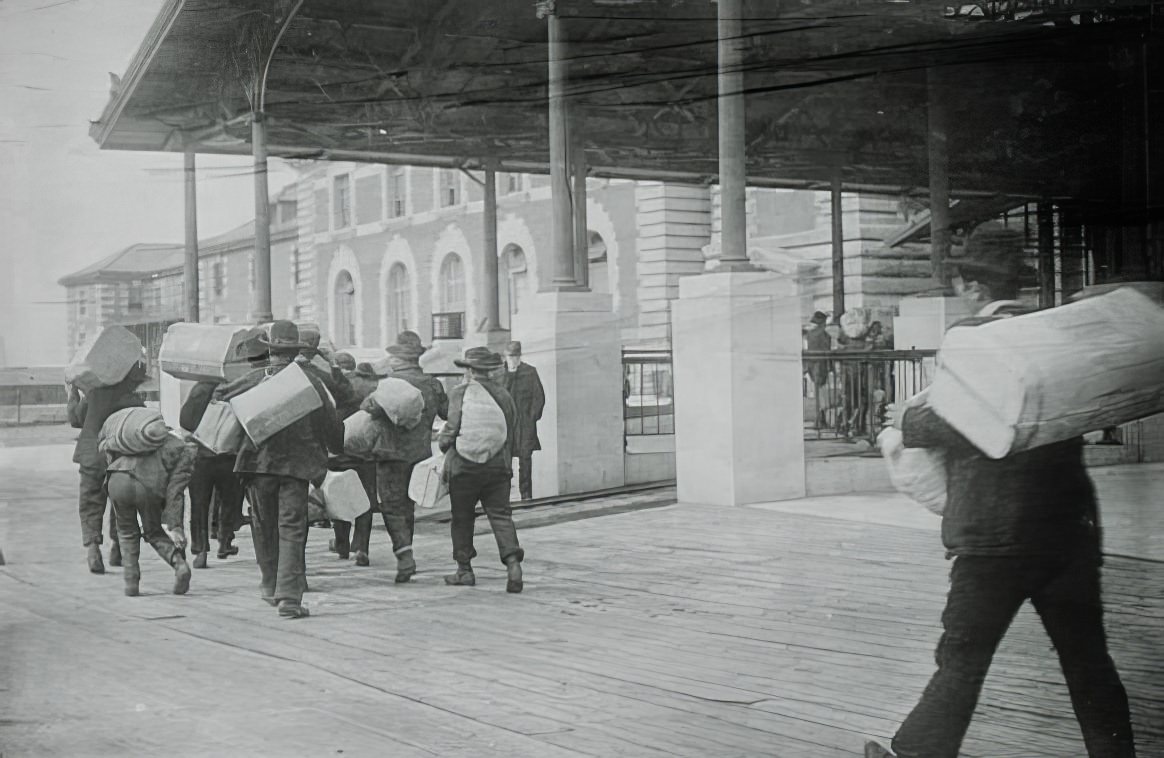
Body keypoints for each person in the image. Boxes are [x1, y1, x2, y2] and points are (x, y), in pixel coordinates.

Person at [866, 223, 1136, 758]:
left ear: (972, 286)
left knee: (963, 658)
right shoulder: (1050, 334)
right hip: (1068, 531)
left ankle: (917, 755)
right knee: (1087, 659)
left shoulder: (970, 339)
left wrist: (909, 420)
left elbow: (975, 422)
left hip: (993, 538)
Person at [215, 321, 343, 619]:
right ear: (294, 350)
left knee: (262, 525)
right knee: (292, 529)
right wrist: (336, 447)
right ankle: (289, 597)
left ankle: (269, 583)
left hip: (257, 465)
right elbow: (331, 423)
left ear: (270, 350)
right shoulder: (310, 380)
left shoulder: (251, 379)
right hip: (296, 468)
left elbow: (220, 398)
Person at [360, 331, 448, 582]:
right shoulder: (433, 384)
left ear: (400, 358)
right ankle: (406, 549)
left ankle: (404, 552)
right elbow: (448, 412)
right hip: (420, 454)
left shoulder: (389, 384)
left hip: (391, 454)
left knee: (391, 505)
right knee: (408, 505)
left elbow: (367, 407)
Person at [438, 347, 524, 593]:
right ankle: (513, 563)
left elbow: (451, 428)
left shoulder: (460, 393)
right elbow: (511, 428)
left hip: (464, 468)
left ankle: (464, 570)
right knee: (500, 515)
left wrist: (446, 446)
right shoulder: (504, 395)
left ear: (469, 369)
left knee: (462, 517)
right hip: (498, 466)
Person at [100, 412, 197, 597]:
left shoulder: (137, 438)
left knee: (127, 531)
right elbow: (175, 491)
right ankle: (179, 565)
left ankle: (131, 582)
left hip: (117, 478)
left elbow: (108, 453)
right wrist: (175, 525)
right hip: (147, 485)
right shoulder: (184, 450)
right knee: (153, 532)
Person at [67, 361, 148, 574]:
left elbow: (75, 419)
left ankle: (93, 549)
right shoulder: (134, 400)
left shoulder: (95, 394)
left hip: (92, 457)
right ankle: (118, 548)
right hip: (119, 459)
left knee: (91, 502)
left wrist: (73, 393)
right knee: (121, 503)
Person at [329, 360, 385, 565]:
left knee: (339, 500)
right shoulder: (372, 393)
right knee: (365, 502)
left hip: (337, 456)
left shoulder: (337, 388)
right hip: (364, 457)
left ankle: (342, 545)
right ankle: (361, 547)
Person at [501, 341, 545, 501]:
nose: (512, 359)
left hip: (525, 424)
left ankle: (526, 496)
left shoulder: (530, 372)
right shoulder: (500, 374)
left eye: (515, 356)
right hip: (506, 425)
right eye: (510, 356)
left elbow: (539, 397)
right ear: (505, 357)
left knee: (525, 460)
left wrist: (531, 417)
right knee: (505, 461)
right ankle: (503, 496)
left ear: (520, 356)